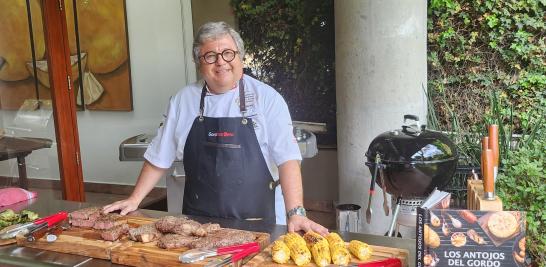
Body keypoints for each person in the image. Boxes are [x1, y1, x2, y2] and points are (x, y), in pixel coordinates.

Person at [103, 21, 328, 235]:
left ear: (240, 57)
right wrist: (134, 199)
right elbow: (159, 156)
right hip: (197, 225)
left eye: (228, 53)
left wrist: (296, 212)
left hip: (261, 223)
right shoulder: (183, 101)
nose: (221, 62)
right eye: (210, 56)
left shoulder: (267, 99)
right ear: (199, 63)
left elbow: (287, 160)